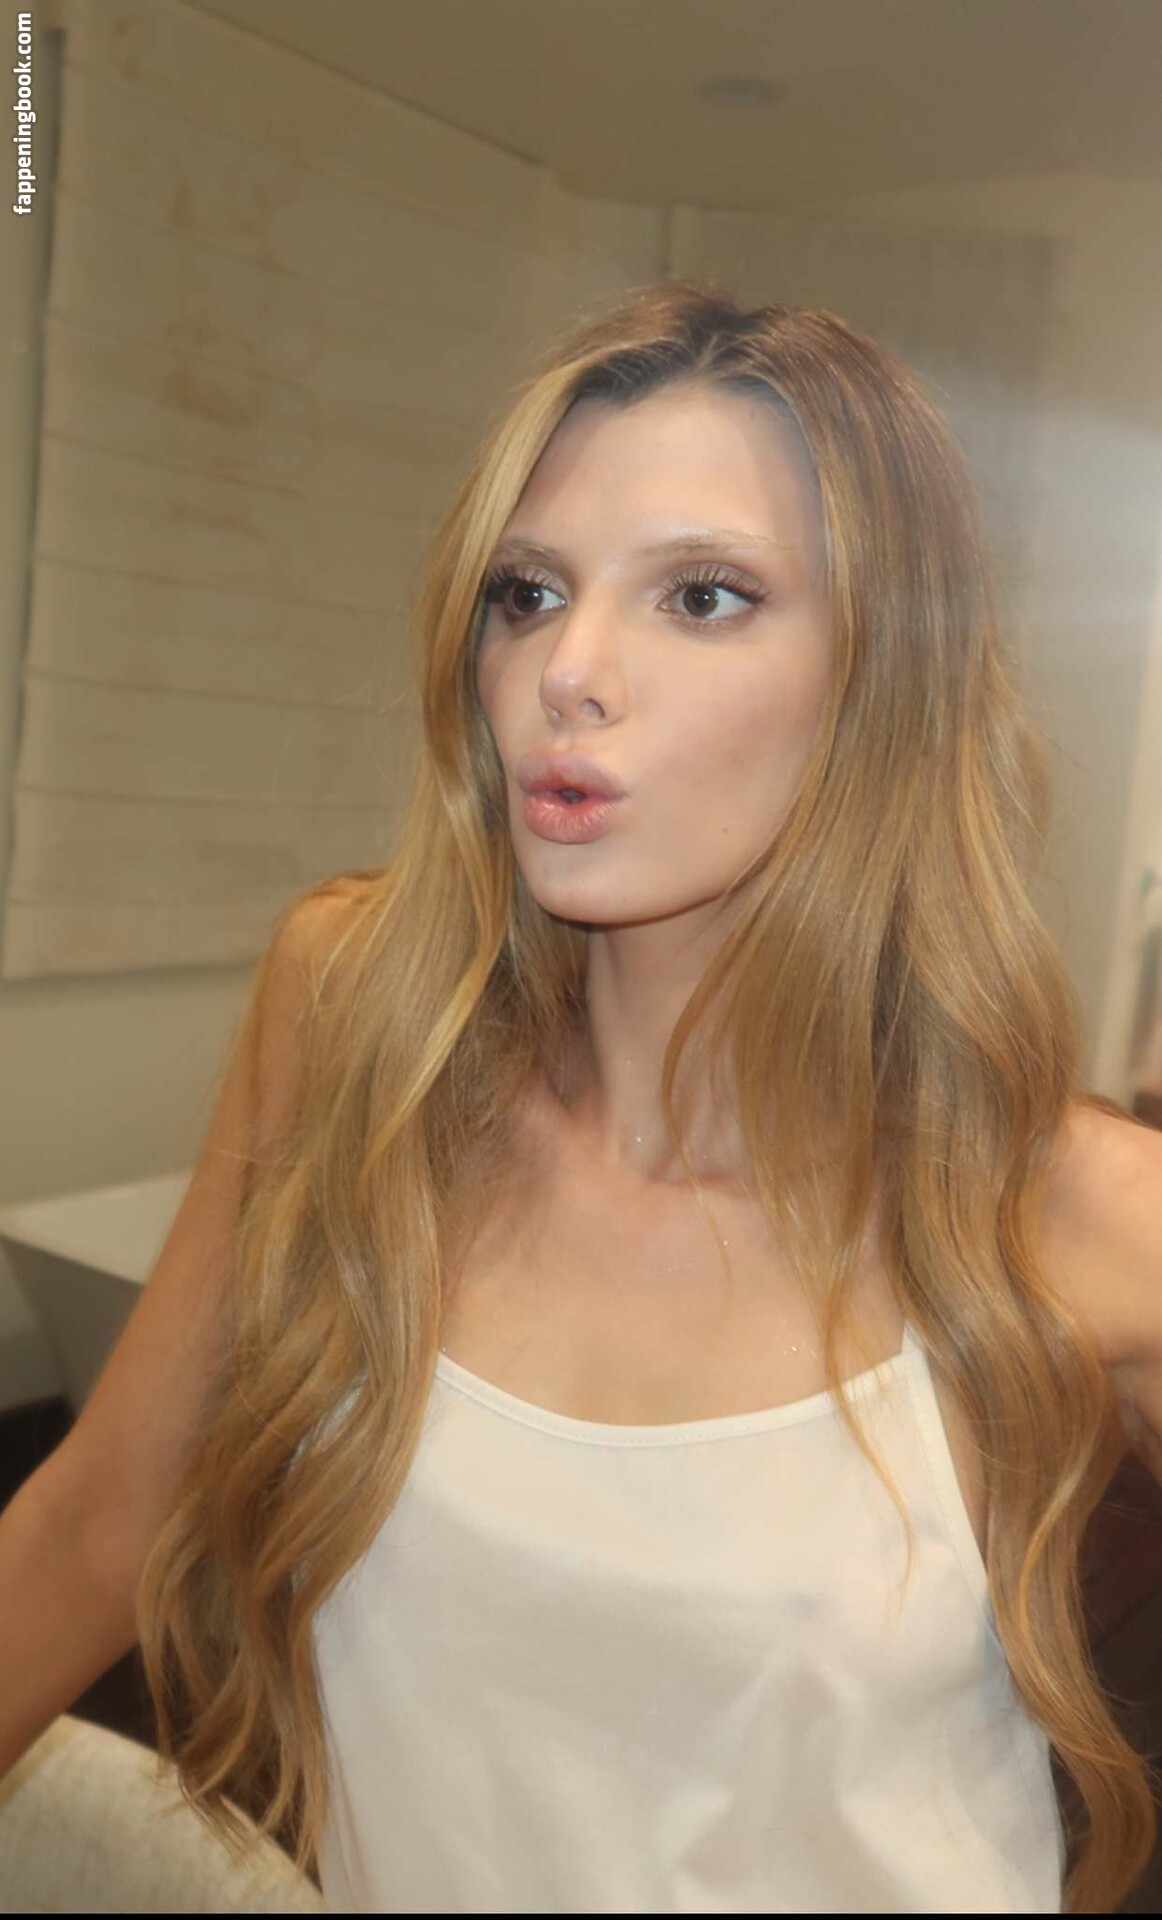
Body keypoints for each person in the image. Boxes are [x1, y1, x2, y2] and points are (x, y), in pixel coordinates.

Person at [4, 279, 1162, 1915]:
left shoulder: (1077, 1210)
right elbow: (94, 1527)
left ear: (884, 680)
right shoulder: (357, 1024)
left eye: (703, 595)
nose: (570, 669)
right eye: (527, 592)